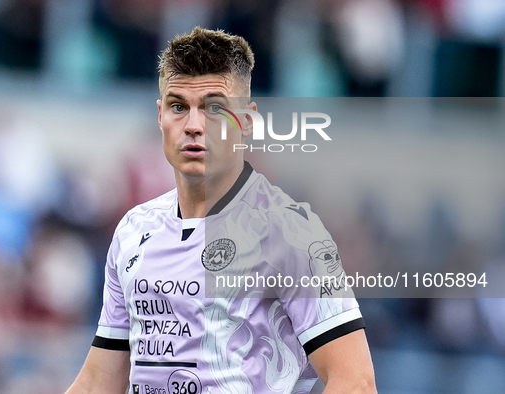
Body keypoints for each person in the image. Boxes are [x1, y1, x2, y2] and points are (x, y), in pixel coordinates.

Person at [66, 27, 377, 394]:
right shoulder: (134, 230)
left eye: (214, 107)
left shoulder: (292, 235)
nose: (194, 126)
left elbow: (355, 381)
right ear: (160, 116)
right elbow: (99, 381)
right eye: (179, 107)